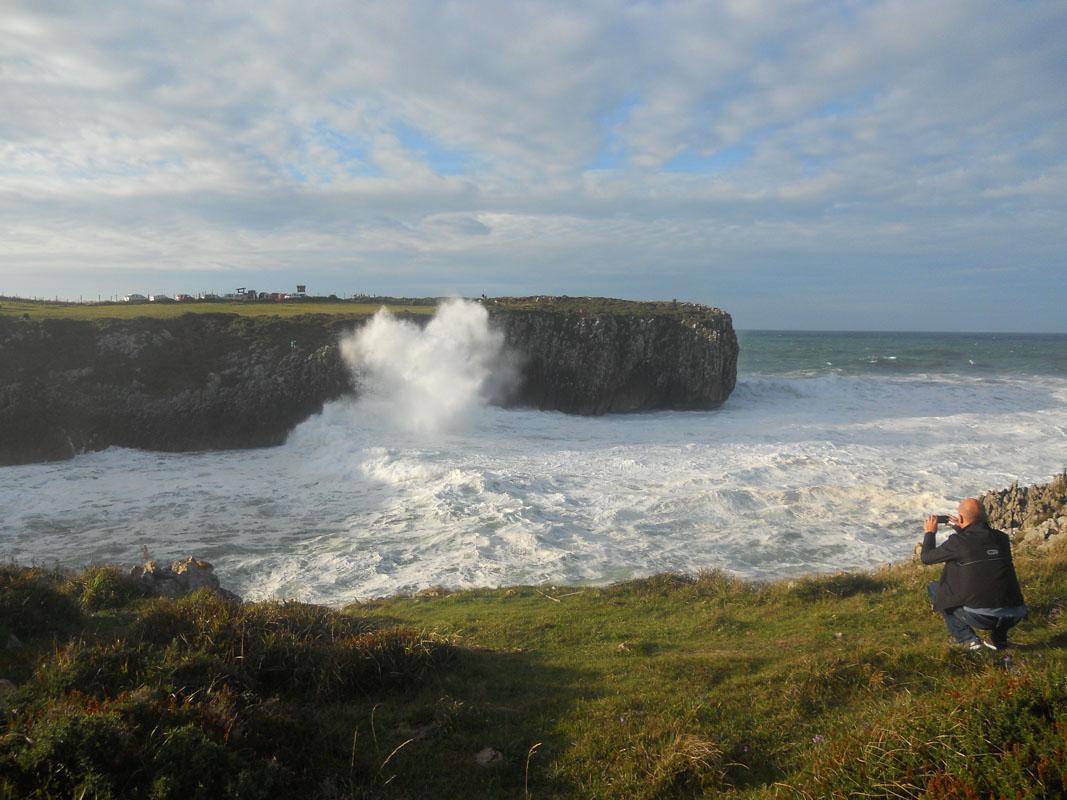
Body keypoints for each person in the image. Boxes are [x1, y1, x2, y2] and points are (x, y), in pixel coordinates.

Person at [921, 497, 1027, 650]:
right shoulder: (1002, 538)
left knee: (936, 588)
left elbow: (926, 557)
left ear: (961, 518)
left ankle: (967, 639)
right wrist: (962, 529)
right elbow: (978, 546)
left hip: (982, 617)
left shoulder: (958, 542)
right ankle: (998, 640)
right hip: (1015, 614)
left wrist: (930, 533)